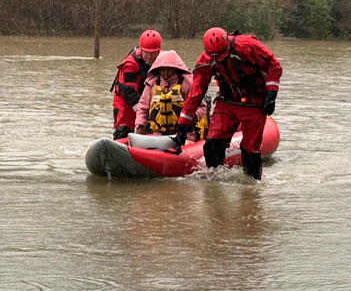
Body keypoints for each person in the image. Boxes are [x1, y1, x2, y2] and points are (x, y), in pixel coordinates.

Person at [175, 27, 282, 180]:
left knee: (250, 148)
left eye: (222, 55)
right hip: (228, 101)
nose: (220, 59)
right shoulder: (205, 62)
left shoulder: (247, 46)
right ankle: (214, 184)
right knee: (212, 143)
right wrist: (182, 126)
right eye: (216, 57)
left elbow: (274, 66)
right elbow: (196, 93)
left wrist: (271, 95)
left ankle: (251, 187)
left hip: (254, 102)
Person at [134, 50, 210, 145]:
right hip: (158, 135)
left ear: (176, 68)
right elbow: (142, 108)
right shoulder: (151, 84)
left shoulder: (186, 84)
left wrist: (193, 117)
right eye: (162, 69)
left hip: (185, 134)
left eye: (169, 69)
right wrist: (140, 125)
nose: (165, 72)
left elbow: (202, 107)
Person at [110, 29, 162, 140]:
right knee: (124, 129)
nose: (149, 56)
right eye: (146, 53)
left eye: (152, 53)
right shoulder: (130, 64)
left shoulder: (165, 61)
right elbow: (128, 90)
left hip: (149, 101)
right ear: (141, 50)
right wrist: (142, 113)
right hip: (126, 104)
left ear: (158, 51)